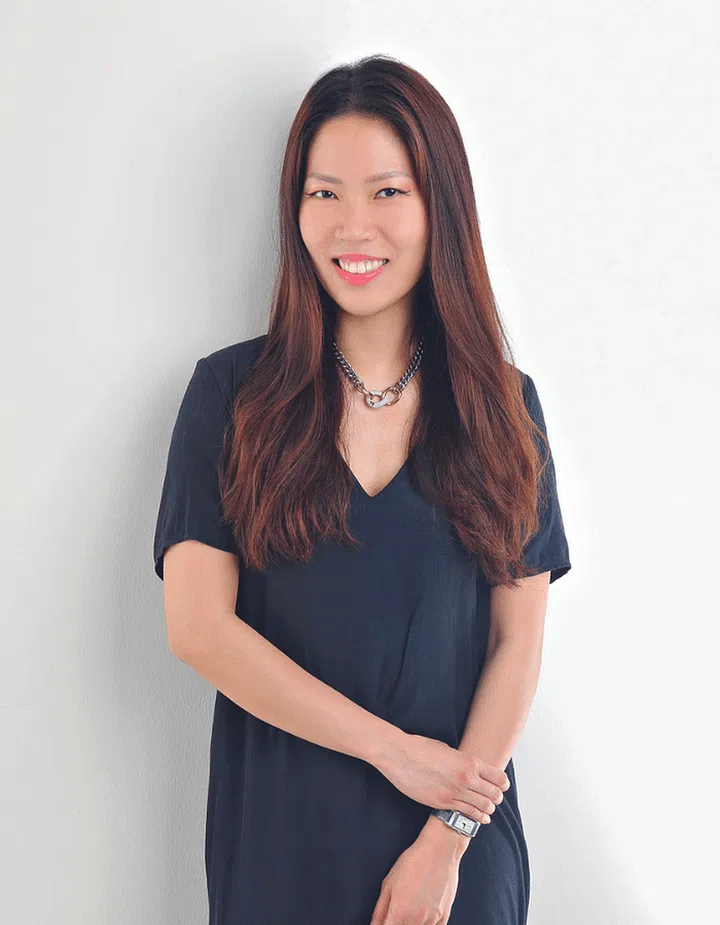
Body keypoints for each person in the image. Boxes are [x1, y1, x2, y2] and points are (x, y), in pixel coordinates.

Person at [153, 54, 571, 925]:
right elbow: (197, 628)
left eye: (388, 192)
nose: (353, 226)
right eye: (324, 193)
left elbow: (516, 644)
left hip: (454, 858)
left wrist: (447, 835)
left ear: (438, 205)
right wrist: (392, 751)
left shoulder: (503, 406)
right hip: (282, 846)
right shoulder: (231, 395)